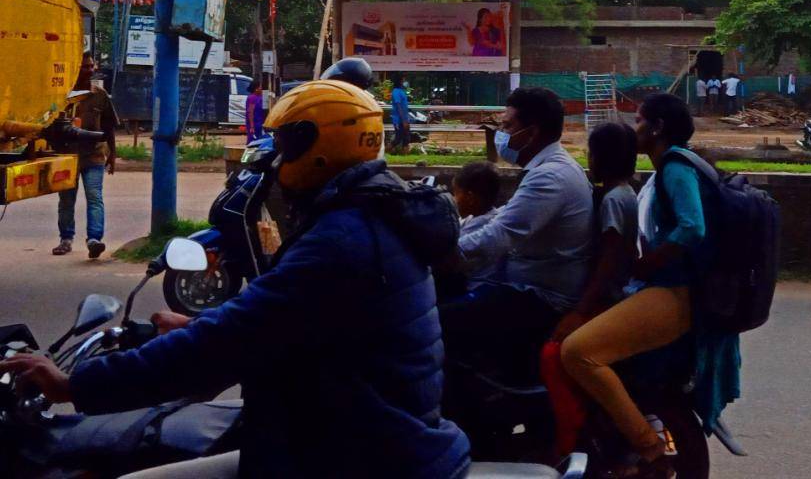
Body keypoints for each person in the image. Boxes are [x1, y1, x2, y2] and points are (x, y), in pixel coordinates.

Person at [0, 81, 471, 478]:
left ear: (315, 147)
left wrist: (75, 386)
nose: (276, 160)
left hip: (357, 458)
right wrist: (191, 329)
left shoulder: (342, 240)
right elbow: (282, 324)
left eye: (285, 144)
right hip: (366, 433)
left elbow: (226, 342)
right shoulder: (376, 214)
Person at [560, 94, 740, 476]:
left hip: (675, 294)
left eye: (639, 121)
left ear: (657, 128)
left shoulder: (675, 166)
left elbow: (693, 226)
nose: (634, 128)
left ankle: (650, 448)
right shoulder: (666, 169)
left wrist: (649, 264)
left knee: (578, 352)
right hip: (671, 290)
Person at [439, 87, 593, 369]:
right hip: (522, 283)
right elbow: (499, 222)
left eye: (507, 126)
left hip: (539, 295)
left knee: (438, 321)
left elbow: (501, 234)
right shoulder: (547, 168)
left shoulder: (550, 177)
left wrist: (446, 253)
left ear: (532, 133)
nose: (502, 133)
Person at [551, 122, 638, 342]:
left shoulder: (613, 200)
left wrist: (582, 309)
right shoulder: (625, 192)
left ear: (601, 158)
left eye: (590, 154)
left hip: (605, 296)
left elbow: (610, 256)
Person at [52, 53, 117, 259]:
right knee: (66, 200)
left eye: (90, 66)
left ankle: (94, 240)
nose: (88, 70)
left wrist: (113, 154)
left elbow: (108, 127)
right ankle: (66, 239)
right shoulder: (62, 95)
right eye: (83, 67)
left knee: (95, 197)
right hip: (67, 157)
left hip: (94, 156)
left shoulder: (100, 95)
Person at [451, 161, 503, 290]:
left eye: (456, 193)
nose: (453, 199)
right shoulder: (478, 217)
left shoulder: (480, 226)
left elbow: (449, 261)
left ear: (470, 198)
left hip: (475, 287)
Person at [390, 75, 411, 153]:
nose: (405, 82)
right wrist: (404, 120)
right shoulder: (396, 92)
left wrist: (406, 119)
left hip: (404, 118)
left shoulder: (402, 91)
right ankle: (387, 150)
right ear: (400, 82)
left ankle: (405, 153)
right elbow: (399, 106)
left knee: (406, 138)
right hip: (399, 119)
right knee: (398, 138)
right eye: (404, 80)